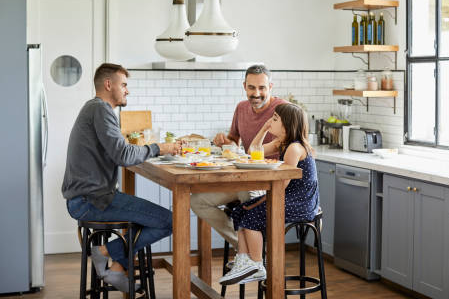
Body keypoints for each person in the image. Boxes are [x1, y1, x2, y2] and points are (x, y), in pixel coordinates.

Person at [62, 63, 182, 292]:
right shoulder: (101, 110)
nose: (127, 90)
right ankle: (104, 252)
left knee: (150, 219)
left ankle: (116, 266)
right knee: (171, 220)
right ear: (109, 85)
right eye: (124, 85)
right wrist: (160, 147)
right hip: (90, 201)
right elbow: (124, 155)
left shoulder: (95, 109)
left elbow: (120, 151)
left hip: (89, 198)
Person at [219, 103, 319, 285]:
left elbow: (283, 184)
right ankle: (244, 262)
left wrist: (260, 198)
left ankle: (257, 265)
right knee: (241, 210)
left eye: (274, 119)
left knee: (251, 217)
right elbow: (253, 151)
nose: (270, 121)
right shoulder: (282, 143)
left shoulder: (294, 148)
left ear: (287, 124)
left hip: (299, 202)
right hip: (287, 197)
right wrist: (265, 128)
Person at [190, 64, 287, 248]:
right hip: (246, 177)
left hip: (271, 182)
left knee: (246, 193)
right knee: (197, 201)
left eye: (262, 88)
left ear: (271, 87)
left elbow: (296, 145)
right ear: (244, 86)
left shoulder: (282, 109)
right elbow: (234, 141)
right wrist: (224, 141)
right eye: (251, 88)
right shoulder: (241, 108)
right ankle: (244, 249)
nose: (256, 93)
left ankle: (255, 256)